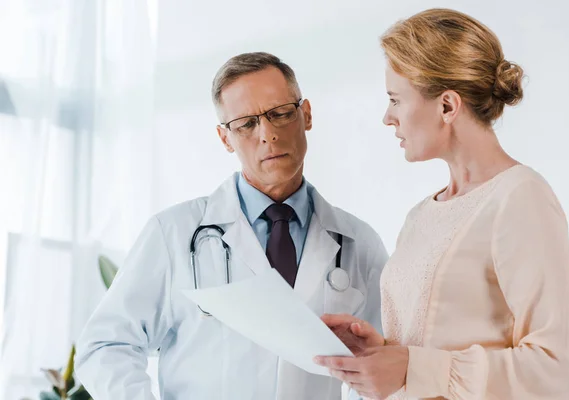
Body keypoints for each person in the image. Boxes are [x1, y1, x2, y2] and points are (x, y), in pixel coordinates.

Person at [74, 52, 389, 400]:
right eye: (246, 124)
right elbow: (105, 344)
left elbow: (381, 371)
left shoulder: (358, 243)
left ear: (306, 114)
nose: (267, 134)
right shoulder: (173, 234)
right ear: (226, 138)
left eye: (280, 113)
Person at [315, 8, 569, 400]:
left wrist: (411, 366)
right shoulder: (421, 215)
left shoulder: (521, 198)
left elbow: (557, 371)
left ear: (447, 106)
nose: (387, 118)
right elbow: (432, 354)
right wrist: (381, 354)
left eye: (395, 99)